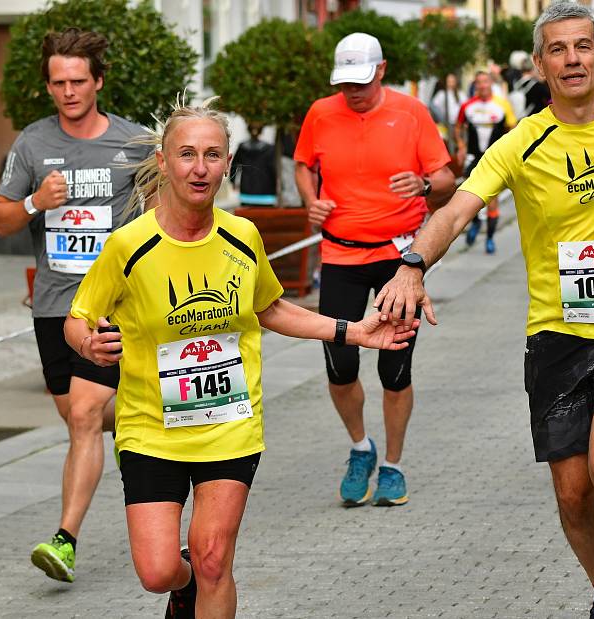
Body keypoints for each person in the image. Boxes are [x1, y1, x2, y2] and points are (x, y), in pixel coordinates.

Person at [374, 3, 594, 618]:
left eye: (583, 47)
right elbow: (455, 211)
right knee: (573, 494)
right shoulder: (521, 143)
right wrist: (412, 264)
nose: (573, 59)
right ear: (540, 64)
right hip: (555, 337)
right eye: (557, 50)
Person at [64, 97, 418, 619]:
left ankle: (200, 585)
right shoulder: (127, 246)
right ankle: (181, 590)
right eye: (186, 154)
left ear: (227, 163)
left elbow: (271, 308)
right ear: (163, 162)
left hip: (230, 424)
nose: (199, 168)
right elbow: (77, 318)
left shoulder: (242, 235)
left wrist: (354, 333)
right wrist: (88, 343)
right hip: (150, 429)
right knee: (159, 571)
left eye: (212, 155)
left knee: (213, 560)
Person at [0, 28, 153, 583]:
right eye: (58, 82)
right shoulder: (32, 145)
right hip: (54, 306)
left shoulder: (134, 144)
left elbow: (170, 209)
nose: (68, 91)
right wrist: (38, 200)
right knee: (77, 416)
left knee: (83, 414)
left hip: (110, 304)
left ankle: (65, 540)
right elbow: (0, 219)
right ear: (48, 86)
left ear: (98, 81)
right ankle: (158, 405)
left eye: (78, 81)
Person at [294, 32, 455, 507]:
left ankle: (393, 466)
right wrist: (311, 200)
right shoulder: (321, 113)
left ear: (381, 70)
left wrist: (424, 184)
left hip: (397, 260)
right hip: (340, 254)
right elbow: (304, 164)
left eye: (361, 82)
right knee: (339, 364)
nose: (353, 92)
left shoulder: (411, 112)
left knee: (394, 368)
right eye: (345, 84)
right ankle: (361, 447)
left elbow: (447, 181)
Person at [455, 71, 517, 253]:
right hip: (473, 157)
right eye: (479, 82)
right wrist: (460, 145)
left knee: (492, 200)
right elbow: (458, 127)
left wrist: (508, 151)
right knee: (469, 196)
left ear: (491, 84)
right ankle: (475, 222)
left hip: (494, 158)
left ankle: (489, 238)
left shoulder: (502, 105)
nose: (482, 86)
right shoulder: (468, 106)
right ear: (475, 85)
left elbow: (512, 130)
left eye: (485, 82)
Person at [229, 123, 277, 205]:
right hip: (266, 193)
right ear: (261, 132)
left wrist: (233, 182)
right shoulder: (270, 149)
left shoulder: (242, 147)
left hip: (246, 192)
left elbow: (234, 166)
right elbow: (273, 169)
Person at [429, 73, 467, 153]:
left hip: (458, 124)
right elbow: (433, 106)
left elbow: (465, 107)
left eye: (452, 81)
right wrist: (441, 118)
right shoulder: (441, 94)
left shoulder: (460, 94)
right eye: (449, 81)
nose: (451, 83)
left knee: (459, 143)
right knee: (450, 144)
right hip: (447, 124)